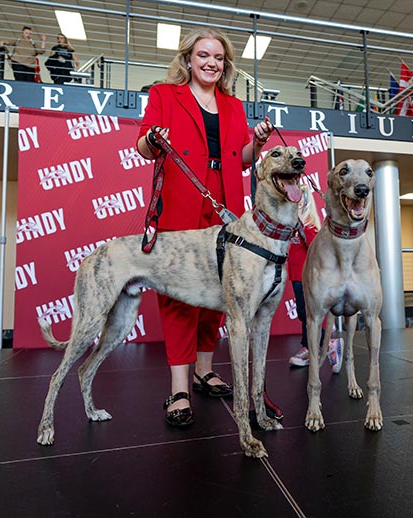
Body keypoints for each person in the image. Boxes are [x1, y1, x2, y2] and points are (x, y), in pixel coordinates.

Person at [135, 27, 276, 427]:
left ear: (225, 64)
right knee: (179, 294)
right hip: (181, 197)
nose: (211, 63)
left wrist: (259, 142)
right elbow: (143, 145)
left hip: (225, 201)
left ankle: (204, 369)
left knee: (222, 290)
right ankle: (179, 388)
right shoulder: (165, 94)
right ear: (188, 59)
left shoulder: (233, 105)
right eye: (203, 56)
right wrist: (154, 137)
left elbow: (242, 158)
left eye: (218, 58)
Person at [287, 187, 343, 373]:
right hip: (296, 277)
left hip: (308, 278)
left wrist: (301, 230)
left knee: (309, 315)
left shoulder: (308, 227)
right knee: (304, 315)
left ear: (304, 202)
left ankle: (326, 345)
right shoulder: (292, 227)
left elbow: (316, 249)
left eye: (298, 200)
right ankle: (312, 349)